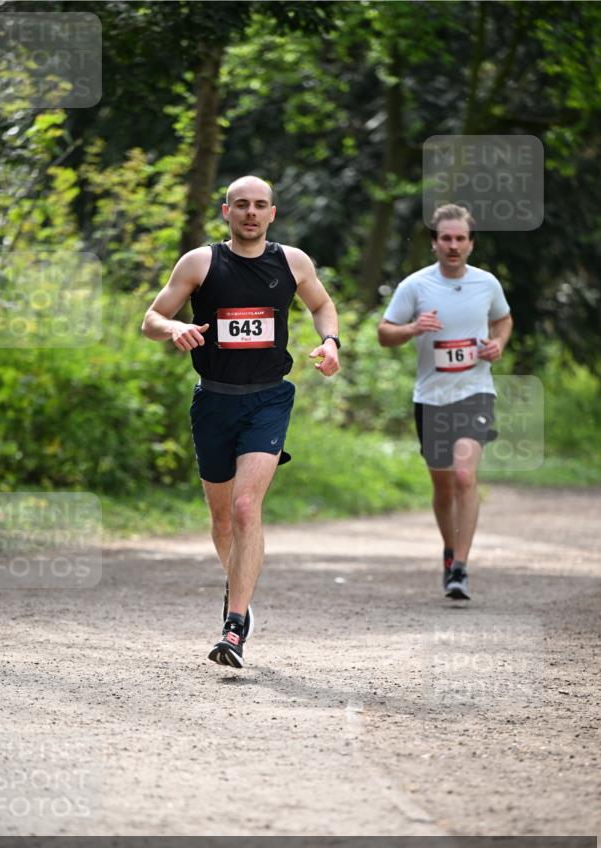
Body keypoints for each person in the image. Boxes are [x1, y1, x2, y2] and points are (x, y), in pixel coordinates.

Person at [142, 176, 340, 666]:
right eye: (242, 205)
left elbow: (322, 305)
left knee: (247, 507)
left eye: (260, 206)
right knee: (223, 517)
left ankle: (233, 626)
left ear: (272, 213)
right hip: (213, 401)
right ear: (226, 210)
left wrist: (331, 342)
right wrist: (176, 327)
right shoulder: (200, 263)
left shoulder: (292, 262)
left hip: (269, 399)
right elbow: (151, 318)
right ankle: (241, 593)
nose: (251, 213)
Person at [378, 204, 512, 600]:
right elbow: (384, 334)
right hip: (431, 397)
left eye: (461, 239)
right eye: (446, 238)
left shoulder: (486, 283)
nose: (453, 245)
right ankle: (449, 550)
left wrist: (497, 344)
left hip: (475, 391)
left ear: (471, 244)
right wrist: (412, 328)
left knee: (465, 476)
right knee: (442, 484)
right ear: (435, 243)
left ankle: (460, 568)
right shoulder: (415, 286)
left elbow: (503, 319)